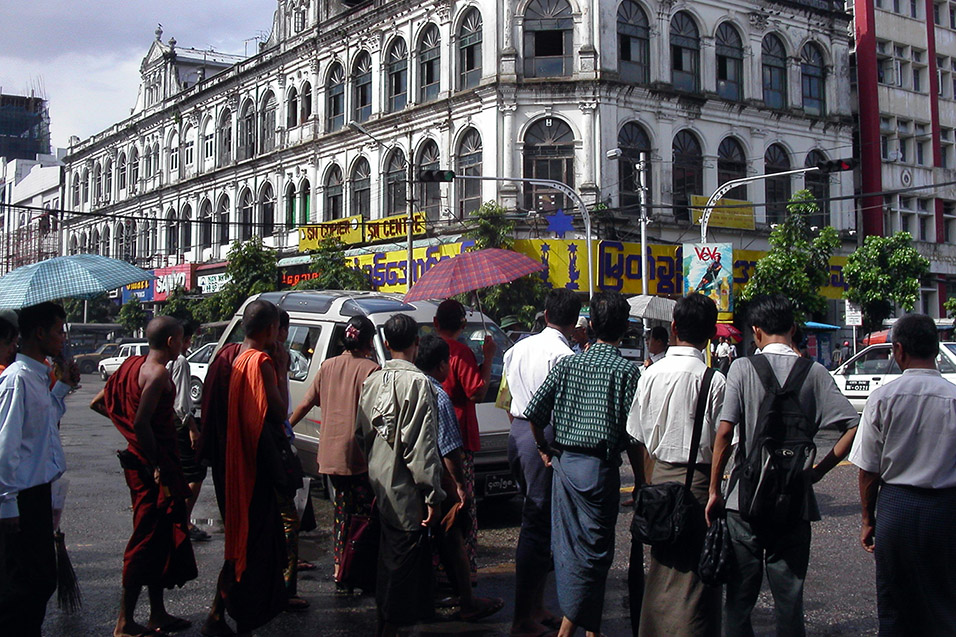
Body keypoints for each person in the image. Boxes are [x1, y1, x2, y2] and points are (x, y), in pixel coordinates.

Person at [705, 294, 859, 637]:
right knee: (789, 600)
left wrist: (715, 490)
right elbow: (852, 425)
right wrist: (817, 472)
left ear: (756, 331)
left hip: (743, 501)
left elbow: (725, 433)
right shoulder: (814, 372)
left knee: (739, 600)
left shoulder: (742, 368)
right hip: (795, 502)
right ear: (792, 329)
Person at [524, 291, 643, 637]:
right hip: (600, 471)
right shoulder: (626, 372)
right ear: (624, 330)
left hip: (565, 468)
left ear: (590, 326)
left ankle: (584, 628)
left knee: (568, 554)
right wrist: (641, 481)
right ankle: (573, 630)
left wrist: (544, 448)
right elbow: (633, 437)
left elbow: (534, 413)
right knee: (595, 557)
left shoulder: (568, 364)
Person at [848, 313, 956, 635]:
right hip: (946, 510)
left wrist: (868, 519)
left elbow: (868, 470)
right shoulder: (953, 397)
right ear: (936, 350)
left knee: (895, 606)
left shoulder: (883, 397)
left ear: (898, 350)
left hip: (897, 507)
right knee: (946, 600)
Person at [91, 316, 197, 637]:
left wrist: (129, 434)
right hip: (152, 467)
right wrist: (153, 461)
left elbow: (101, 403)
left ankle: (158, 613)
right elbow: (140, 423)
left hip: (145, 460)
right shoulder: (158, 373)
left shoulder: (130, 366)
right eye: (181, 340)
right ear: (170, 343)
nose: (183, 345)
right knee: (145, 538)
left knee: (160, 537)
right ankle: (124, 621)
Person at [627, 294, 725, 637]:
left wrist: (644, 483)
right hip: (698, 485)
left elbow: (636, 435)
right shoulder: (713, 380)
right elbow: (725, 443)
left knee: (661, 569)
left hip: (658, 482)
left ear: (673, 329)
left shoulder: (650, 375)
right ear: (711, 334)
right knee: (696, 580)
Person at [356, 313, 445, 637]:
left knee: (388, 564)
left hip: (380, 486)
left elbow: (359, 434)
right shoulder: (419, 383)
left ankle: (385, 624)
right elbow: (421, 448)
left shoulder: (372, 380)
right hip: (407, 494)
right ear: (416, 344)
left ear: (388, 344)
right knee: (401, 574)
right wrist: (433, 496)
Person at [204, 300, 289, 636]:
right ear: (270, 329)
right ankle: (245, 619)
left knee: (241, 540)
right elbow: (278, 413)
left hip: (234, 462)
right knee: (253, 546)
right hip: (254, 467)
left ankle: (219, 612)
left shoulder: (234, 359)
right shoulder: (262, 363)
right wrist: (281, 370)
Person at [502, 288, 581, 637]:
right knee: (536, 526)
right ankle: (523, 618)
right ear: (573, 322)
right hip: (542, 438)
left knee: (539, 523)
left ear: (546, 314)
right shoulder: (563, 355)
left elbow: (506, 398)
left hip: (518, 433)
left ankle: (535, 608)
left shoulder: (517, 348)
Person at [0, 302, 78, 636]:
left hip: (38, 493)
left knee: (40, 579)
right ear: (39, 332)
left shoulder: (38, 375)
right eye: (58, 331)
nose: (62, 338)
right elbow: (6, 446)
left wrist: (63, 387)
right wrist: (7, 503)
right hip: (22, 496)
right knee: (28, 583)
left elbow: (44, 425)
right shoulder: (16, 380)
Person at [415, 334, 504, 623]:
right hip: (450, 458)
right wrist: (460, 487)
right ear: (443, 365)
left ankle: (429, 591)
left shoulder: (407, 384)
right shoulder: (456, 362)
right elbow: (477, 391)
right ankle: (466, 596)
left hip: (413, 469)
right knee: (455, 526)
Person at [289, 315, 380, 592]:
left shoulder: (327, 366)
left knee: (342, 510)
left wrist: (284, 430)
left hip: (329, 456)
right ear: (368, 342)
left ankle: (340, 566)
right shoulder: (372, 370)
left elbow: (305, 404)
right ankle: (356, 569)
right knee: (364, 515)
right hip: (359, 458)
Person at [433, 299, 494, 577]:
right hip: (459, 437)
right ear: (462, 325)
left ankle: (436, 567)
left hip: (431, 438)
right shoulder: (460, 352)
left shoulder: (428, 349)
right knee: (462, 506)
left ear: (436, 323)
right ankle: (463, 570)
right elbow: (476, 393)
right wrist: (489, 357)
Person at [167, 320, 209, 543]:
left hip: (168, 424)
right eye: (187, 339)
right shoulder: (180, 361)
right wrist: (192, 428)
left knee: (181, 472)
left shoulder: (159, 361)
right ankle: (183, 520)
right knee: (195, 473)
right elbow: (182, 402)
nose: (188, 344)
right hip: (181, 423)